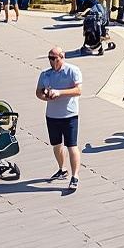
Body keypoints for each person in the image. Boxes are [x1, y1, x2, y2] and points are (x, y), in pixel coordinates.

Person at [37, 47, 83, 190]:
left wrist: (60, 92)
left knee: (72, 146)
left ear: (62, 57)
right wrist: (46, 96)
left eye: (54, 58)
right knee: (56, 145)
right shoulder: (45, 74)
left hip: (69, 115)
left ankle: (75, 176)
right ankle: (62, 169)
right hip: (52, 115)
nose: (52, 61)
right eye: (49, 58)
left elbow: (78, 90)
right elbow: (38, 92)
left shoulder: (73, 71)